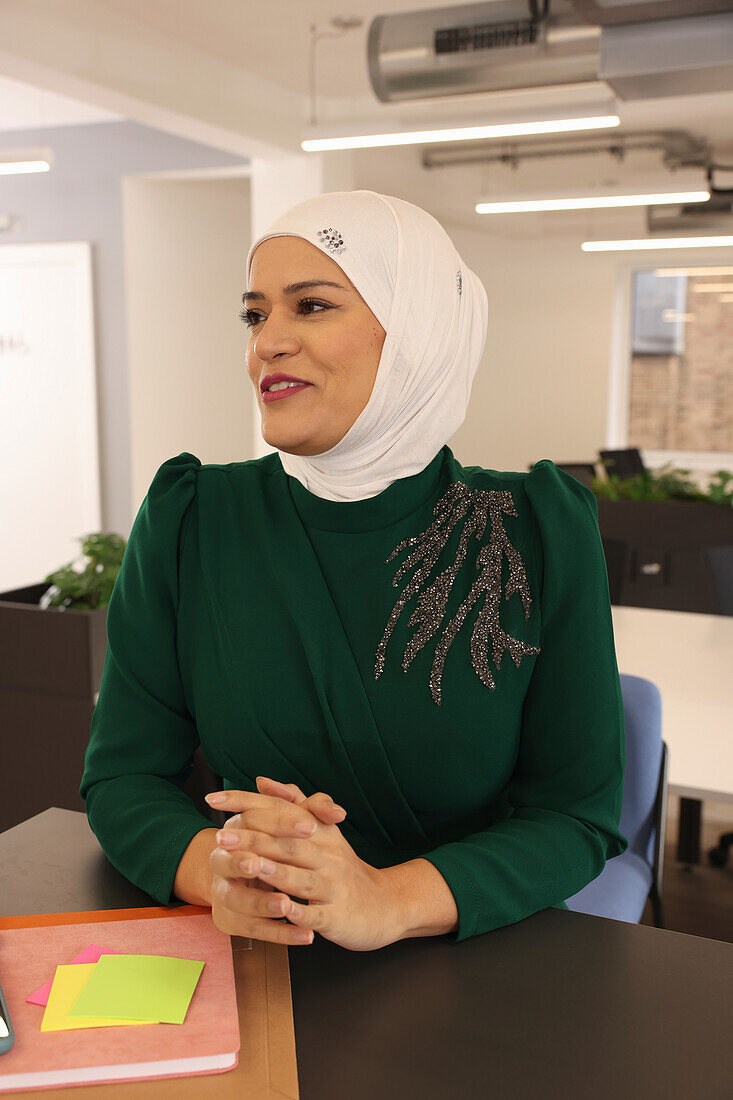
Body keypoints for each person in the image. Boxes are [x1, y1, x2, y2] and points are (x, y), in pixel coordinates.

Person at [79, 189, 628, 951]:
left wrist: (385, 899)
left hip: (478, 965)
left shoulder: (534, 529)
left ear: (416, 332)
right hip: (259, 951)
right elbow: (124, 776)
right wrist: (218, 873)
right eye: (255, 314)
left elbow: (574, 815)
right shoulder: (193, 517)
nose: (266, 342)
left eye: (309, 306)